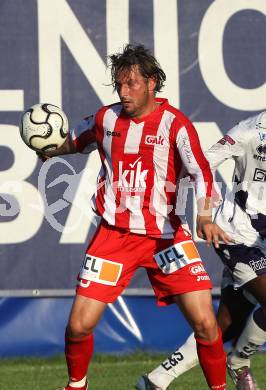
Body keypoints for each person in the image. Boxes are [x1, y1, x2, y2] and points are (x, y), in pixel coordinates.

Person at [41, 44, 229, 390]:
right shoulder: (105, 119)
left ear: (153, 83)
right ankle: (76, 386)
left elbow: (202, 173)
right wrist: (46, 147)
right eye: (119, 85)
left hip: (166, 237)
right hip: (115, 236)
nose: (124, 92)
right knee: (78, 326)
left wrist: (204, 214)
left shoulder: (175, 125)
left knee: (206, 324)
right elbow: (71, 141)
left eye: (132, 84)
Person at [136, 111, 266, 390]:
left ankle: (156, 380)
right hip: (238, 234)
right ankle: (239, 363)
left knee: (222, 326)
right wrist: (203, 215)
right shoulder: (250, 131)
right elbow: (201, 166)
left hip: (262, 240)